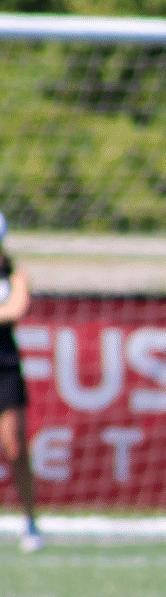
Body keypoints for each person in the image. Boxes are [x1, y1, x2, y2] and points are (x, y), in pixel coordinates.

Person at [0, 212, 42, 552]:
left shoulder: (15, 275)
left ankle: (29, 520)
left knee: (15, 445)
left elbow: (16, 308)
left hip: (5, 366)